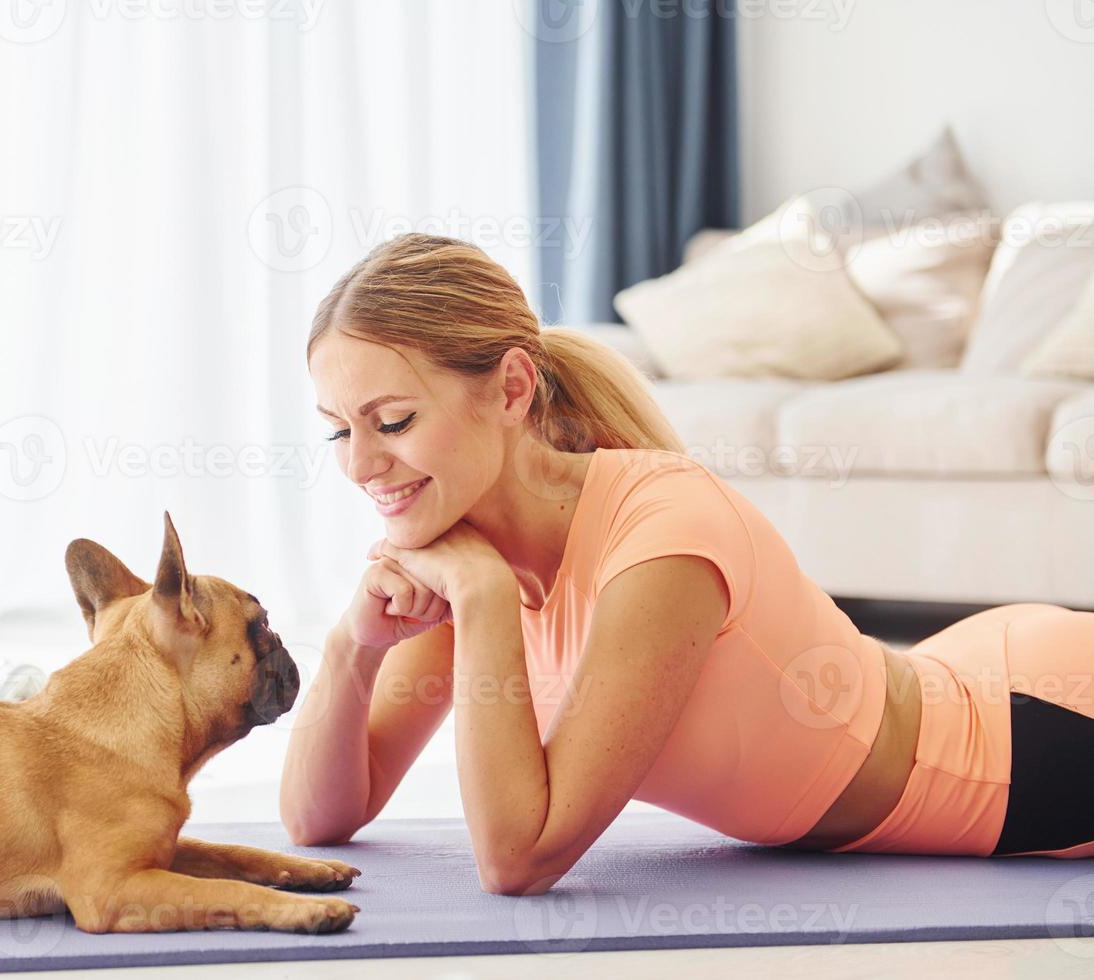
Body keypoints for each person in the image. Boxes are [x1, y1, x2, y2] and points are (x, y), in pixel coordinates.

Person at [278, 232, 1094, 896]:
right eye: (339, 430)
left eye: (392, 421)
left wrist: (487, 599)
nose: (358, 465)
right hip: (960, 669)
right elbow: (317, 819)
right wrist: (357, 641)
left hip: (1021, 740)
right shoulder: (458, 548)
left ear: (512, 389)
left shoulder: (661, 537)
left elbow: (518, 858)